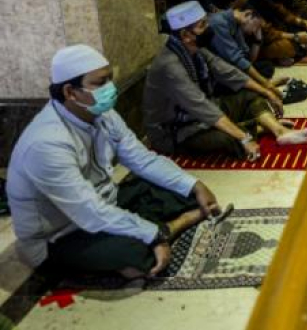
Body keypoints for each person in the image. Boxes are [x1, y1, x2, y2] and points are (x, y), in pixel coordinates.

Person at [7, 45, 225, 278]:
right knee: (138, 257)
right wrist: (154, 234)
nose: (110, 88)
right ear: (70, 92)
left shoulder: (101, 114)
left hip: (106, 202)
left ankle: (159, 229)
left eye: (110, 79)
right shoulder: (46, 144)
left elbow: (142, 159)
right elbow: (89, 211)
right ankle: (168, 228)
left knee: (183, 194)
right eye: (100, 83)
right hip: (60, 235)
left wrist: (194, 184)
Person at [144, 2, 307, 160]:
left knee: (250, 95)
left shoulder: (194, 49)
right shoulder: (170, 66)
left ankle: (279, 131)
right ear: (185, 34)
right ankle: (259, 128)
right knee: (225, 138)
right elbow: (201, 107)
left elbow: (228, 72)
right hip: (175, 132)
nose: (208, 28)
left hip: (203, 111)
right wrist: (244, 139)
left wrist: (266, 91)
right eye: (202, 25)